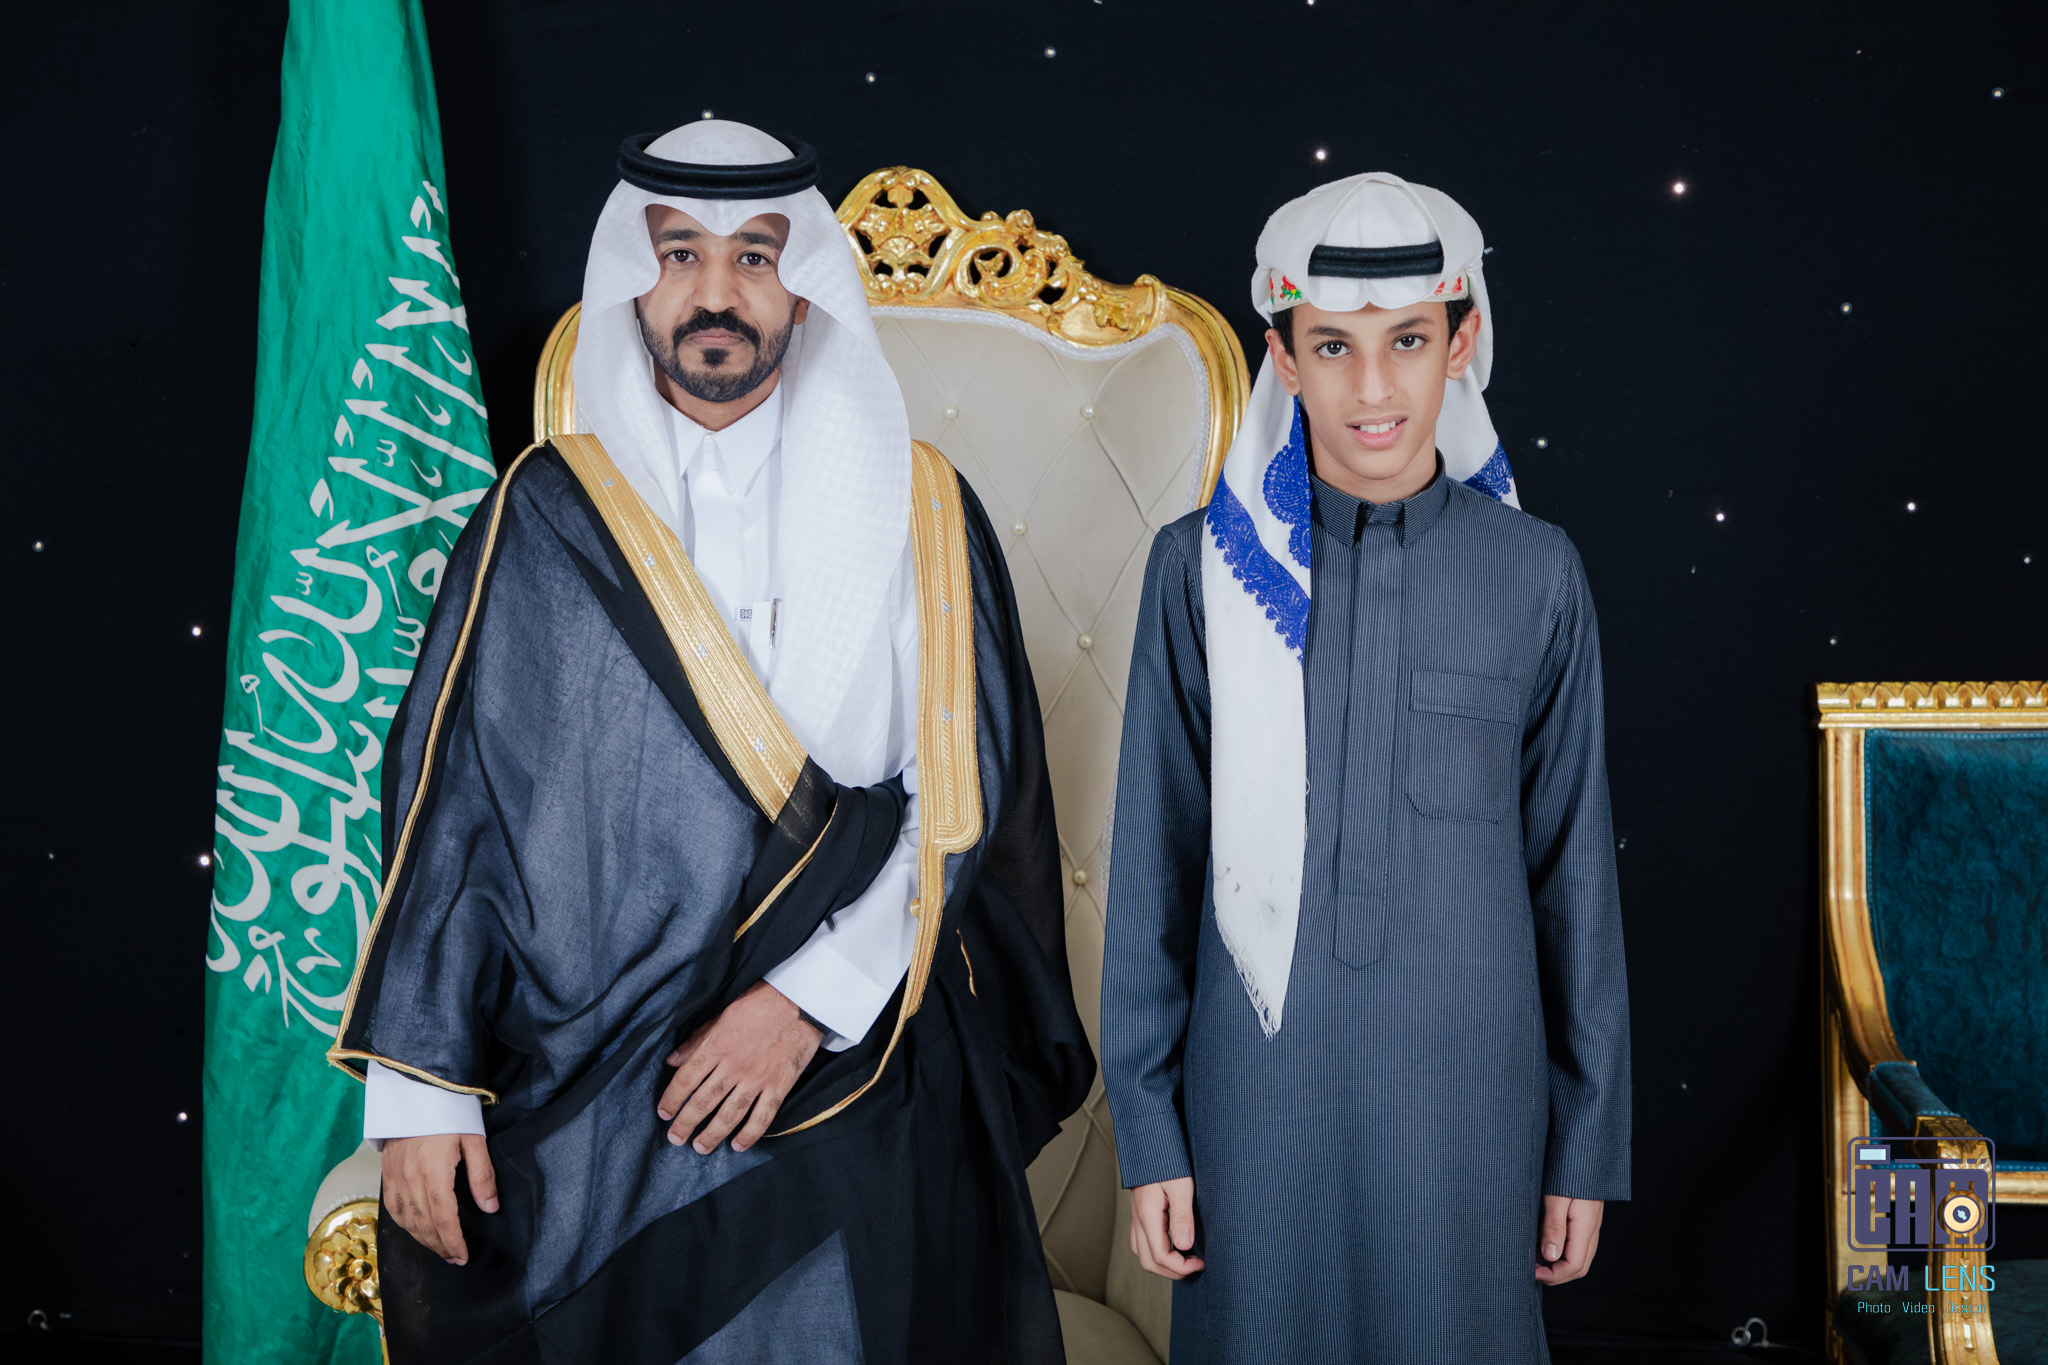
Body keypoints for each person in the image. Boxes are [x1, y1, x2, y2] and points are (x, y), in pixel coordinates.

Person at [329, 119, 1092, 1364]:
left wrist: (803, 1005)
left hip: (852, 1025)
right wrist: (419, 1092)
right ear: (634, 280)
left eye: (756, 257)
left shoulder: (919, 506)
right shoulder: (546, 511)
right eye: (680, 254)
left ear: (804, 287)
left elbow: (960, 802)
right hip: (592, 1036)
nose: (716, 294)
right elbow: (454, 807)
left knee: (852, 1183)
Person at [1099, 172, 1630, 1362]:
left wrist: (1585, 1146)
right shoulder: (1199, 574)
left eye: (1407, 341)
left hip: (1470, 1114)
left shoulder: (1536, 574)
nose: (1373, 388)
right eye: (1333, 347)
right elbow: (1152, 869)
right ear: (1282, 358)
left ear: (1461, 344)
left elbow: (1574, 881)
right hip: (1251, 1107)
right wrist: (1148, 1132)